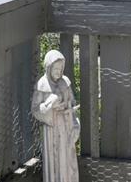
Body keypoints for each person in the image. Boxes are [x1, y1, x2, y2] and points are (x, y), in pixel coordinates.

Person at [31, 49, 80, 182]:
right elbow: (35, 110)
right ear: (48, 67)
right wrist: (49, 104)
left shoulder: (65, 82)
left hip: (66, 125)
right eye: (55, 69)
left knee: (67, 158)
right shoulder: (42, 84)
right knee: (54, 159)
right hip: (51, 129)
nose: (58, 72)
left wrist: (69, 108)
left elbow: (73, 102)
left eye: (60, 68)